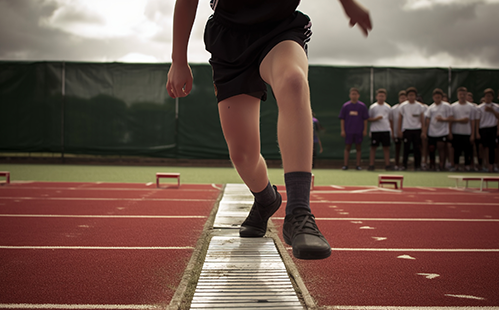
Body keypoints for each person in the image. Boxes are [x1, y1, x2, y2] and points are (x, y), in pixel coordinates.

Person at [166, 0, 372, 260]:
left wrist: (349, 4)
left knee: (293, 81)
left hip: (279, 29)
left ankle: (299, 213)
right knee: (242, 155)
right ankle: (266, 198)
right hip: (230, 41)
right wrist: (178, 60)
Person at [423, 88, 453, 171]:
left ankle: (441, 165)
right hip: (432, 132)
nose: (437, 99)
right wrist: (425, 132)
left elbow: (451, 118)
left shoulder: (447, 106)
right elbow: (427, 120)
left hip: (443, 132)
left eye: (439, 97)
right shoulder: (430, 108)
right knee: (431, 149)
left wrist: (443, 120)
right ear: (433, 97)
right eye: (436, 97)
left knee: (441, 148)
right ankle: (432, 165)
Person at [339, 87, 369, 170]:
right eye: (352, 94)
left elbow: (365, 119)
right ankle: (345, 165)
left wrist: (365, 130)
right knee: (347, 147)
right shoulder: (345, 106)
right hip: (348, 131)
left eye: (355, 94)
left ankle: (358, 165)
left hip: (359, 131)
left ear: (358, 95)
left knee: (358, 147)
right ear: (350, 95)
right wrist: (343, 130)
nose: (354, 95)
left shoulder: (362, 106)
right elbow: (342, 119)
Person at [397, 87, 426, 170]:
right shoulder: (403, 106)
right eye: (409, 95)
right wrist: (399, 130)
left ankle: (417, 166)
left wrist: (423, 131)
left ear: (415, 96)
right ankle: (404, 165)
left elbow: (422, 119)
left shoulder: (420, 106)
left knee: (417, 148)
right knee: (406, 148)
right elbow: (400, 118)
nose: (411, 97)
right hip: (407, 130)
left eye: (413, 95)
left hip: (417, 130)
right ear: (407, 96)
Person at [449, 87, 476, 171]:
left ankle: (467, 166)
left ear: (466, 95)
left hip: (467, 133)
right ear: (457, 95)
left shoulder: (471, 107)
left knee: (467, 151)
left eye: (464, 94)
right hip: (456, 132)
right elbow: (450, 120)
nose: (462, 96)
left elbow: (472, 121)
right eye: (460, 94)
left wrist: (472, 134)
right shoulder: (453, 106)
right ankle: (456, 166)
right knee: (456, 151)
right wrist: (450, 132)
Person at [367, 88, 392, 171]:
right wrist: (376, 119)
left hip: (385, 130)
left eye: (383, 96)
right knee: (373, 148)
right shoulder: (373, 107)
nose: (381, 97)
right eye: (379, 96)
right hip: (375, 131)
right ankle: (371, 165)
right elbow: (368, 118)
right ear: (376, 97)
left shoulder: (388, 107)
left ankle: (387, 165)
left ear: (385, 97)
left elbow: (390, 119)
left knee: (386, 148)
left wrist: (391, 130)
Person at [476, 88, 499, 172]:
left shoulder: (496, 107)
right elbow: (478, 120)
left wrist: (492, 110)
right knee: (484, 147)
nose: (488, 98)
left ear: (492, 97)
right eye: (486, 96)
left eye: (489, 96)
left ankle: (491, 165)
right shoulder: (480, 108)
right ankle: (484, 164)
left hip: (492, 128)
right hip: (483, 129)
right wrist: (477, 132)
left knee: (492, 148)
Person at [391, 90, 406, 170]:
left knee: (405, 150)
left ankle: (404, 165)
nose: (403, 99)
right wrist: (393, 132)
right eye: (401, 98)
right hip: (397, 132)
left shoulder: (408, 108)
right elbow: (391, 121)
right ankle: (396, 164)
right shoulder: (394, 109)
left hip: (407, 132)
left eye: (404, 98)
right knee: (397, 149)